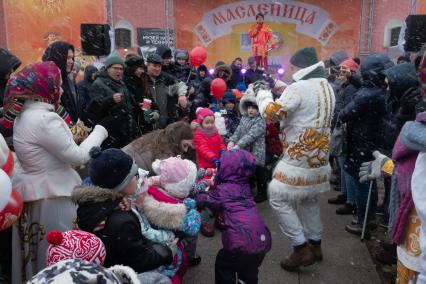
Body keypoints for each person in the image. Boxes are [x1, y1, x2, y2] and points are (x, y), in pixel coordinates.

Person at [5, 62, 108, 283]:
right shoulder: (45, 119)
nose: (61, 90)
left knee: (36, 254)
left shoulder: (24, 115)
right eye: (58, 85)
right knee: (58, 256)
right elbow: (79, 157)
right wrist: (100, 132)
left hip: (34, 192)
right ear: (44, 87)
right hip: (53, 196)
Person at [254, 47, 335, 271]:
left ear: (299, 66)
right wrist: (281, 87)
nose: (290, 70)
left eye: (292, 66)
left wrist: (262, 93)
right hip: (318, 158)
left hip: (298, 158)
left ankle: (300, 249)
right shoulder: (326, 86)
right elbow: (304, 105)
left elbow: (271, 114)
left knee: (278, 198)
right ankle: (315, 245)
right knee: (309, 200)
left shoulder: (299, 88)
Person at [72, 147, 174, 273]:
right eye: (134, 175)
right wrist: (165, 253)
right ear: (121, 184)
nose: (137, 177)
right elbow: (138, 260)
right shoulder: (121, 220)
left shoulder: (94, 205)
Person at [195, 149, 271, 284]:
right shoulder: (245, 187)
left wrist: (198, 193)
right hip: (261, 240)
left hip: (239, 242)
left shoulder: (223, 191)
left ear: (225, 169)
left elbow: (205, 200)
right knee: (250, 270)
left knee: (223, 265)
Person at [340, 54, 394, 236]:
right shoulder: (379, 90)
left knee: (362, 183)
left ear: (369, 73)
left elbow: (345, 113)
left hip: (361, 144)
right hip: (370, 143)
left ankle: (363, 221)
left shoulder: (368, 94)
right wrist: (353, 78)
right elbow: (366, 88)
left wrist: (340, 109)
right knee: (368, 182)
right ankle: (368, 218)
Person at [328, 59, 361, 215]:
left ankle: (351, 201)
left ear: (351, 73)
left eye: (343, 70)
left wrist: (338, 110)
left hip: (346, 131)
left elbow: (346, 111)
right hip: (341, 128)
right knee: (342, 165)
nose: (339, 73)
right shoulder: (344, 86)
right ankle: (345, 194)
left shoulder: (351, 89)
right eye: (339, 70)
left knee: (346, 166)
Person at [87, 53, 141, 148]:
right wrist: (111, 100)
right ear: (108, 68)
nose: (119, 71)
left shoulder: (121, 83)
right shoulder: (98, 84)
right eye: (115, 68)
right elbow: (94, 109)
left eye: (121, 69)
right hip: (110, 135)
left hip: (126, 133)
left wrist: (137, 107)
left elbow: (128, 105)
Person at [192, 107, 227, 237]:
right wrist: (214, 157)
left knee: (220, 191)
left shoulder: (215, 131)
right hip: (205, 168)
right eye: (207, 122)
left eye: (212, 122)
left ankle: (219, 215)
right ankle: (203, 220)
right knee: (206, 195)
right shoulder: (198, 134)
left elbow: (220, 144)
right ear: (201, 122)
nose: (210, 125)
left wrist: (223, 150)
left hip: (217, 165)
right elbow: (202, 148)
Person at [228, 94, 266, 203]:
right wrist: (232, 141)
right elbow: (238, 131)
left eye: (254, 108)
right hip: (245, 151)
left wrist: (238, 145)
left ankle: (262, 193)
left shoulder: (260, 121)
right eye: (249, 108)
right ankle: (249, 189)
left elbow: (251, 135)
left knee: (259, 172)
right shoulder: (244, 118)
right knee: (247, 170)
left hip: (256, 151)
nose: (251, 110)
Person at [123, 121, 194, 174]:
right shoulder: (167, 153)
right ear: (178, 139)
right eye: (185, 145)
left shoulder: (159, 135)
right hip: (126, 171)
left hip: (121, 158)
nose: (185, 150)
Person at [145, 53, 188, 129]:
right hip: (147, 127)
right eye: (154, 66)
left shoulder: (165, 79)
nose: (157, 69)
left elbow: (180, 85)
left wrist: (181, 95)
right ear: (148, 65)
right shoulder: (141, 80)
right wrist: (150, 112)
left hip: (165, 126)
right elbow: (144, 101)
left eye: (159, 66)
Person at [42, 41, 81, 123]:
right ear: (57, 58)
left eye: (72, 58)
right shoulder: (47, 82)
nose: (71, 61)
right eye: (67, 58)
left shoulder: (67, 79)